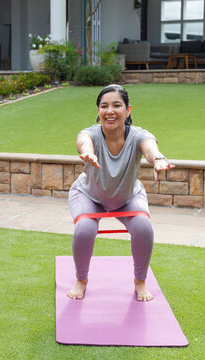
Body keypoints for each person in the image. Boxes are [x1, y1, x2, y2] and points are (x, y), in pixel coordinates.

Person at [67, 84, 174, 302]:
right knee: (85, 228)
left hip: (127, 197)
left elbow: (150, 147)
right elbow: (83, 142)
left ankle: (140, 282)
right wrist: (88, 153)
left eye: (117, 105)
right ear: (98, 111)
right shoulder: (90, 134)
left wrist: (159, 159)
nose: (110, 111)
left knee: (144, 228)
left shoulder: (137, 135)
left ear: (128, 110)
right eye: (104, 106)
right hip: (89, 195)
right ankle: (81, 279)